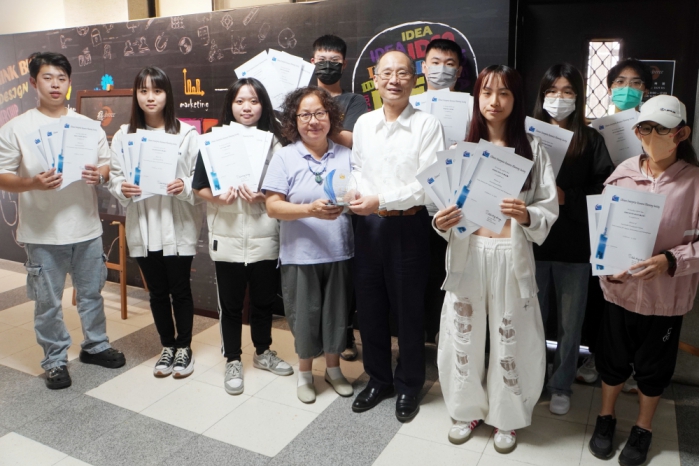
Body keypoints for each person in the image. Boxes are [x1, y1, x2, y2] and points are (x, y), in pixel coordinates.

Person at [433, 65, 558, 453]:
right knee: (462, 334)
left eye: (504, 93)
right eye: (486, 92)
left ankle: (508, 416)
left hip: (509, 254)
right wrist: (441, 221)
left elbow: (547, 207)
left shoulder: (532, 149)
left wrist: (526, 215)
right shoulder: (460, 150)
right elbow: (441, 209)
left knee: (512, 336)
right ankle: (466, 409)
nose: (494, 101)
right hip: (469, 253)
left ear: (516, 99)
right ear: (477, 98)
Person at [0, 52, 125, 390]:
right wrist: (32, 183)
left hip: (86, 227)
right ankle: (55, 360)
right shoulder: (16, 128)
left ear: (69, 83)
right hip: (42, 232)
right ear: (33, 82)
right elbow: (3, 175)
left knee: (91, 293)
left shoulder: (87, 126)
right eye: (47, 78)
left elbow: (106, 165)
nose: (55, 85)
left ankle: (95, 345)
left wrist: (99, 175)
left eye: (61, 78)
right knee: (47, 302)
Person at [588, 95, 699, 466]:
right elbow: (602, 232)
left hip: (665, 298)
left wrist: (672, 259)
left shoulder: (694, 182)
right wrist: (606, 266)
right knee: (612, 360)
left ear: (681, 134)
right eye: (644, 128)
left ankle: (643, 428)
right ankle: (606, 418)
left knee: (654, 368)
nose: (651, 135)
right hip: (619, 292)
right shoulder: (622, 173)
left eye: (661, 129)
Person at [349, 50, 445, 422]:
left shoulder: (427, 125)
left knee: (409, 310)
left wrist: (381, 200)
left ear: (414, 79)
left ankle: (408, 384)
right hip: (369, 226)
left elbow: (427, 184)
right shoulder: (364, 123)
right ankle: (378, 379)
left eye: (402, 73)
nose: (394, 80)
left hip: (409, 225)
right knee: (370, 307)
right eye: (387, 73)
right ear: (375, 78)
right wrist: (357, 193)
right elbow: (357, 166)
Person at [192, 78, 293, 395]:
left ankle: (263, 352)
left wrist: (264, 197)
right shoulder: (213, 140)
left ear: (263, 105)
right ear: (230, 105)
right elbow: (198, 186)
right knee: (231, 305)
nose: (246, 107)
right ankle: (233, 359)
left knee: (263, 302)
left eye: (253, 101)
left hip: (265, 236)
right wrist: (217, 198)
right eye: (239, 101)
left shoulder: (275, 143)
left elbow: (285, 189)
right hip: (227, 237)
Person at [531, 63, 614, 415]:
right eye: (552, 91)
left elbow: (605, 188)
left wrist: (569, 197)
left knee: (570, 322)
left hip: (575, 245)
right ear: (542, 95)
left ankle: (561, 384)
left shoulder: (591, 139)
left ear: (578, 97)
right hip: (533, 243)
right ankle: (533, 379)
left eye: (567, 91)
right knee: (532, 318)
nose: (559, 98)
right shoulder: (528, 134)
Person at [263, 86, 354, 404]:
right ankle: (304, 374)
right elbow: (272, 207)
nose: (313, 121)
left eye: (319, 113)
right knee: (304, 316)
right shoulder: (285, 156)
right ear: (294, 120)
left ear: (331, 117)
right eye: (305, 115)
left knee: (336, 316)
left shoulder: (346, 155)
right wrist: (309, 210)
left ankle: (334, 370)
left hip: (339, 250)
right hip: (300, 254)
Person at [108, 67, 199, 379]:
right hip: (144, 224)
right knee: (157, 292)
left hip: (177, 224)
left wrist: (183, 185)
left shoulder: (186, 134)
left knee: (180, 289)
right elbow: (116, 177)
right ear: (136, 94)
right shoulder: (124, 135)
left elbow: (198, 180)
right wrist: (121, 188)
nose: (150, 97)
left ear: (167, 94)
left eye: (157, 91)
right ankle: (167, 346)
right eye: (143, 90)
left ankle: (184, 347)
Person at [578, 58, 654, 392]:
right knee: (602, 293)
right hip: (605, 217)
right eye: (620, 82)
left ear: (645, 90)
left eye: (635, 83)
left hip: (643, 216)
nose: (627, 89)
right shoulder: (595, 129)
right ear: (609, 89)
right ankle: (597, 357)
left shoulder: (655, 126)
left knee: (639, 291)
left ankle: (635, 365)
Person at [310, 34, 368, 361]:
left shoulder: (354, 101)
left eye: (334, 61)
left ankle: (344, 336)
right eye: (322, 60)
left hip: (343, 190)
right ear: (312, 61)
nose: (327, 65)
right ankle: (314, 337)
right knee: (311, 270)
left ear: (344, 64)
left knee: (343, 272)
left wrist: (317, 123)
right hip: (306, 190)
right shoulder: (302, 97)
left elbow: (353, 140)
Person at [422, 38, 468, 344]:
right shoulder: (409, 105)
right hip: (416, 206)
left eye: (449, 64)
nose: (442, 70)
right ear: (424, 67)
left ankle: (445, 338)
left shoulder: (472, 106)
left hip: (455, 208)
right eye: (435, 63)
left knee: (449, 274)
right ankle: (418, 337)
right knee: (418, 277)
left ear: (459, 70)